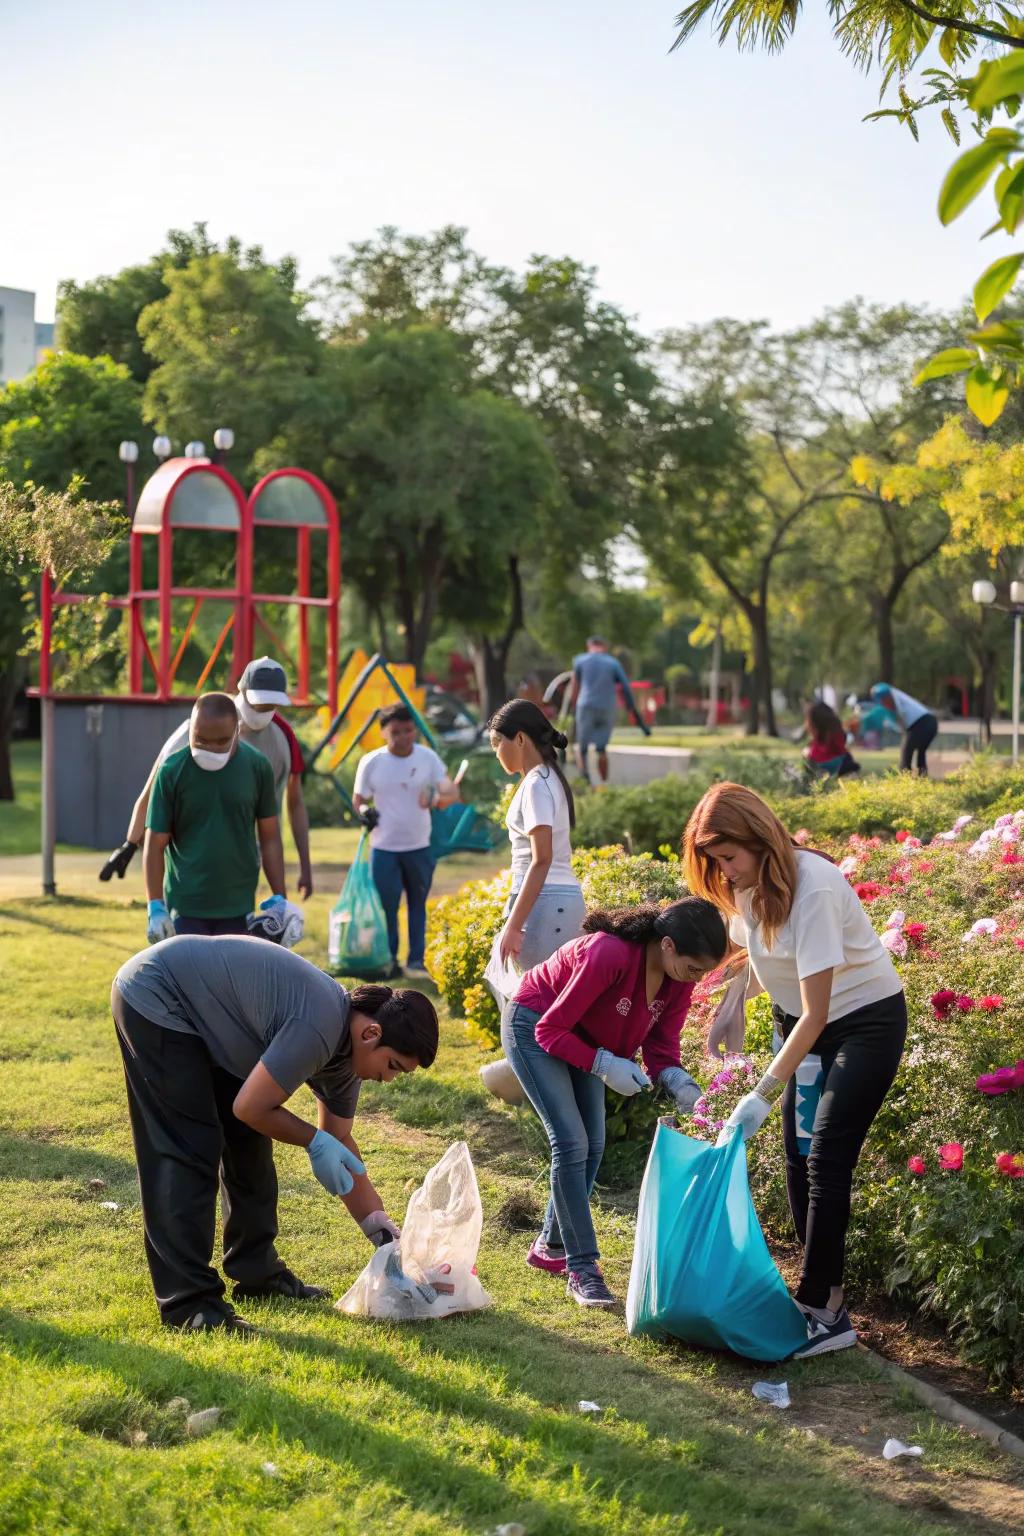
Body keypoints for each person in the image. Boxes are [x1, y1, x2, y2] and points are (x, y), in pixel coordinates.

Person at [682, 782, 907, 1359]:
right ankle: (819, 1295)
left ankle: (824, 1311)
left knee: (828, 1155)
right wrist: (734, 1001)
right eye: (714, 862)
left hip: (864, 1024)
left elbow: (818, 1012)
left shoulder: (815, 889)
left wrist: (759, 1094)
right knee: (798, 1156)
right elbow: (761, 954)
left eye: (728, 858)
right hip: (801, 1023)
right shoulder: (750, 886)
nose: (724, 874)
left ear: (759, 841)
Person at [112, 935, 438, 1331]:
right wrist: (311, 1140)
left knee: (249, 1149)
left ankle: (256, 1275)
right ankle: (189, 1305)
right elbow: (251, 1107)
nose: (388, 1079)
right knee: (188, 1149)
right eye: (393, 1066)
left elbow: (340, 1142)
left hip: (212, 1017)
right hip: (159, 994)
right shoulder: (319, 1024)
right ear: (371, 1034)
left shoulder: (347, 1061)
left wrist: (386, 1238)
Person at [502, 899, 728, 1307]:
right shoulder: (609, 954)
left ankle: (551, 1245)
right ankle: (583, 1269)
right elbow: (551, 1030)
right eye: (694, 967)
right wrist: (604, 1063)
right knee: (571, 1143)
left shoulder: (680, 981)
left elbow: (662, 1049)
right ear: (668, 946)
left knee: (593, 1144)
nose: (696, 978)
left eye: (703, 972)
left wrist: (680, 1083)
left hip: (587, 1039)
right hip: (534, 1023)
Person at [101, 657, 313, 900]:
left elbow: (290, 807)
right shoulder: (201, 726)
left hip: (241, 860)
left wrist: (298, 874)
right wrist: (130, 843)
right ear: (242, 691)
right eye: (258, 703)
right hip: (190, 857)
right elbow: (154, 788)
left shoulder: (282, 739)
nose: (263, 710)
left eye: (270, 705)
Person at [143, 691, 295, 943]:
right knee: (189, 980)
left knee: (232, 980)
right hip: (186, 904)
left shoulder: (258, 767)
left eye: (221, 741)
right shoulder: (171, 771)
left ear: (237, 731)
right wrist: (155, 907)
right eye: (200, 739)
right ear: (191, 728)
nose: (210, 748)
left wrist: (280, 899)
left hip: (238, 902)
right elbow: (155, 843)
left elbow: (270, 838)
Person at [352, 704, 459, 980]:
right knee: (387, 906)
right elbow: (359, 800)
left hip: (419, 847)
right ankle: (389, 960)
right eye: (396, 732)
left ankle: (416, 962)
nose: (403, 737)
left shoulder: (428, 759)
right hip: (384, 848)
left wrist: (437, 797)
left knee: (417, 904)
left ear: (415, 729)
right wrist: (365, 813)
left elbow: (451, 790)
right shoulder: (371, 762)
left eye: (409, 730)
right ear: (384, 733)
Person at [489, 700, 586, 970]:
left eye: (497, 743)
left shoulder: (536, 784)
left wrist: (513, 925)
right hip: (552, 899)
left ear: (519, 738)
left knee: (531, 1004)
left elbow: (542, 858)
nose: (496, 752)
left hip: (547, 901)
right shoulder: (545, 777)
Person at [571, 636, 650, 784]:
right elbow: (625, 687)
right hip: (607, 708)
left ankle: (586, 781)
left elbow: (575, 686)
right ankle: (603, 784)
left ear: (589, 646)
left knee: (583, 749)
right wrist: (632, 710)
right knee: (601, 749)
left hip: (586, 706)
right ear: (604, 647)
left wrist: (573, 707)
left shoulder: (580, 660)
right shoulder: (613, 663)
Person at [870, 682, 938, 776]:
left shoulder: (895, 697)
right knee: (919, 751)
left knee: (906, 751)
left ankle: (905, 777)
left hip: (922, 722)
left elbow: (885, 691)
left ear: (888, 697)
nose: (884, 704)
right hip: (929, 722)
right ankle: (921, 777)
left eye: (884, 700)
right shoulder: (898, 701)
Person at [803, 701, 860, 777]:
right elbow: (840, 750)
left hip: (817, 764)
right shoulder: (836, 732)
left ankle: (816, 774)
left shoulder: (816, 733)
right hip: (834, 764)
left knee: (806, 752)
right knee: (847, 756)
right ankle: (849, 773)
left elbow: (812, 752)